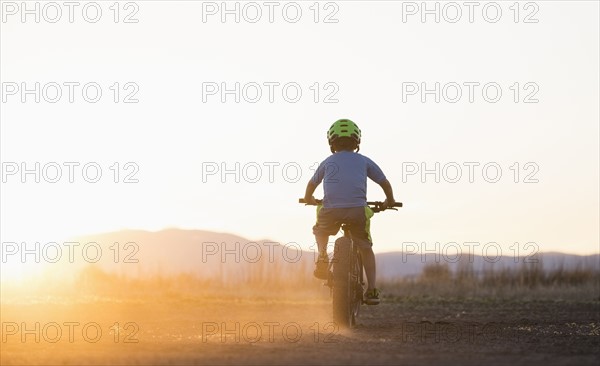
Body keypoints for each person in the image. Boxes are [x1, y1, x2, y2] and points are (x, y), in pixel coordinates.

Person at [303, 119, 396, 305]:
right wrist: (389, 201)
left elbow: (312, 184)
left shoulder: (328, 162)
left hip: (330, 211)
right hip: (357, 211)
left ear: (331, 142)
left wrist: (308, 199)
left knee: (320, 229)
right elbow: (384, 182)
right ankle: (371, 290)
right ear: (357, 142)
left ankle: (322, 256)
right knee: (365, 247)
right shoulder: (364, 160)